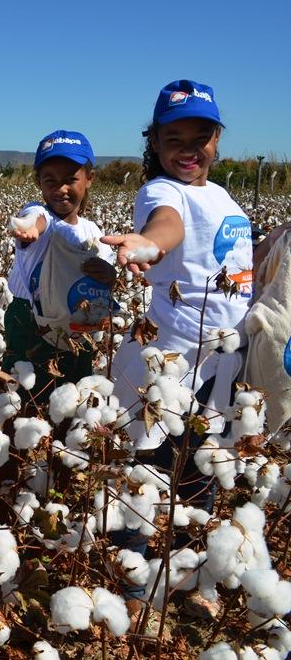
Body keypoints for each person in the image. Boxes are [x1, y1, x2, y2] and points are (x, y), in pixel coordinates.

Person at [101, 80, 247, 614]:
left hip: (219, 361)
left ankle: (184, 576)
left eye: (200, 136)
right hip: (171, 361)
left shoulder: (224, 196)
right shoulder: (163, 193)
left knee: (199, 473)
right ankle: (132, 584)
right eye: (173, 137)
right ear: (155, 144)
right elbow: (168, 228)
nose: (188, 149)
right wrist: (148, 242)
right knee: (147, 471)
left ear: (217, 140)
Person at [2, 131, 116, 402]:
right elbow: (35, 215)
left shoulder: (93, 230)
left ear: (89, 179)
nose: (60, 188)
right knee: (25, 398)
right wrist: (29, 228)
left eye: (70, 179)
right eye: (49, 180)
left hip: (79, 322)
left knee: (74, 396)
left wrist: (110, 276)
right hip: (29, 322)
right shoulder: (43, 219)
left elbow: (105, 279)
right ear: (39, 182)